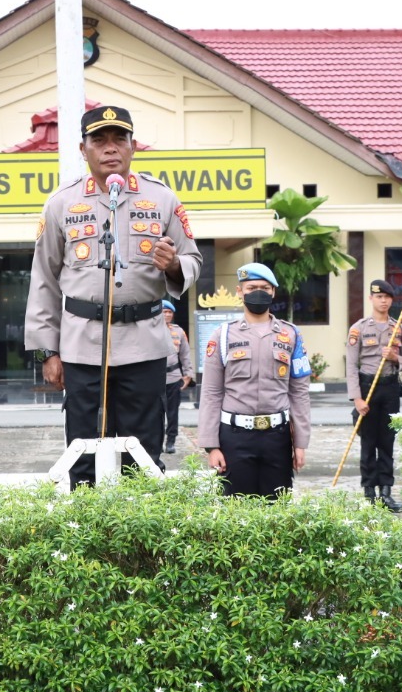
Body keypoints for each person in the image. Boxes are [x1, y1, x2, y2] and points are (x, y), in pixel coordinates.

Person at [24, 105, 202, 486]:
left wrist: (172, 265)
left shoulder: (162, 199)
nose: (110, 149)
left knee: (144, 454)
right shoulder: (62, 203)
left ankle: (140, 541)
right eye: (99, 140)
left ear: (133, 146)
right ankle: (89, 536)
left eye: (119, 139)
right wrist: (48, 352)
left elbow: (192, 260)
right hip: (82, 345)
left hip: (145, 344)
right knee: (84, 453)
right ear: (82, 149)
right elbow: (43, 279)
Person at [196, 263, 311, 499]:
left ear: (273, 292)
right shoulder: (223, 334)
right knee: (237, 512)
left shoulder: (291, 335)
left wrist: (300, 443)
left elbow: (299, 393)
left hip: (277, 437)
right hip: (235, 436)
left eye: (264, 287)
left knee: (277, 510)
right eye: (251, 287)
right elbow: (211, 392)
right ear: (240, 292)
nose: (258, 292)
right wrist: (211, 446)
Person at [346, 279, 402, 511]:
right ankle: (369, 492)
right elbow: (351, 366)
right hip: (367, 389)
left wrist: (397, 359)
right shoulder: (359, 329)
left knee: (387, 442)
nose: (383, 300)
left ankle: (386, 492)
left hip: (390, 389)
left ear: (391, 300)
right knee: (368, 442)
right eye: (378, 297)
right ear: (371, 299)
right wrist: (357, 398)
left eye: (387, 297)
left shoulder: (399, 329)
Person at [161, 300, 193, 453]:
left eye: (169, 312)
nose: (167, 315)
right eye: (164, 312)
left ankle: (170, 442)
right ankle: (157, 441)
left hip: (174, 377)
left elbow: (185, 355)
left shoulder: (178, 331)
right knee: (155, 413)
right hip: (155, 379)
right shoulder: (150, 330)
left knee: (172, 412)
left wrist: (188, 374)